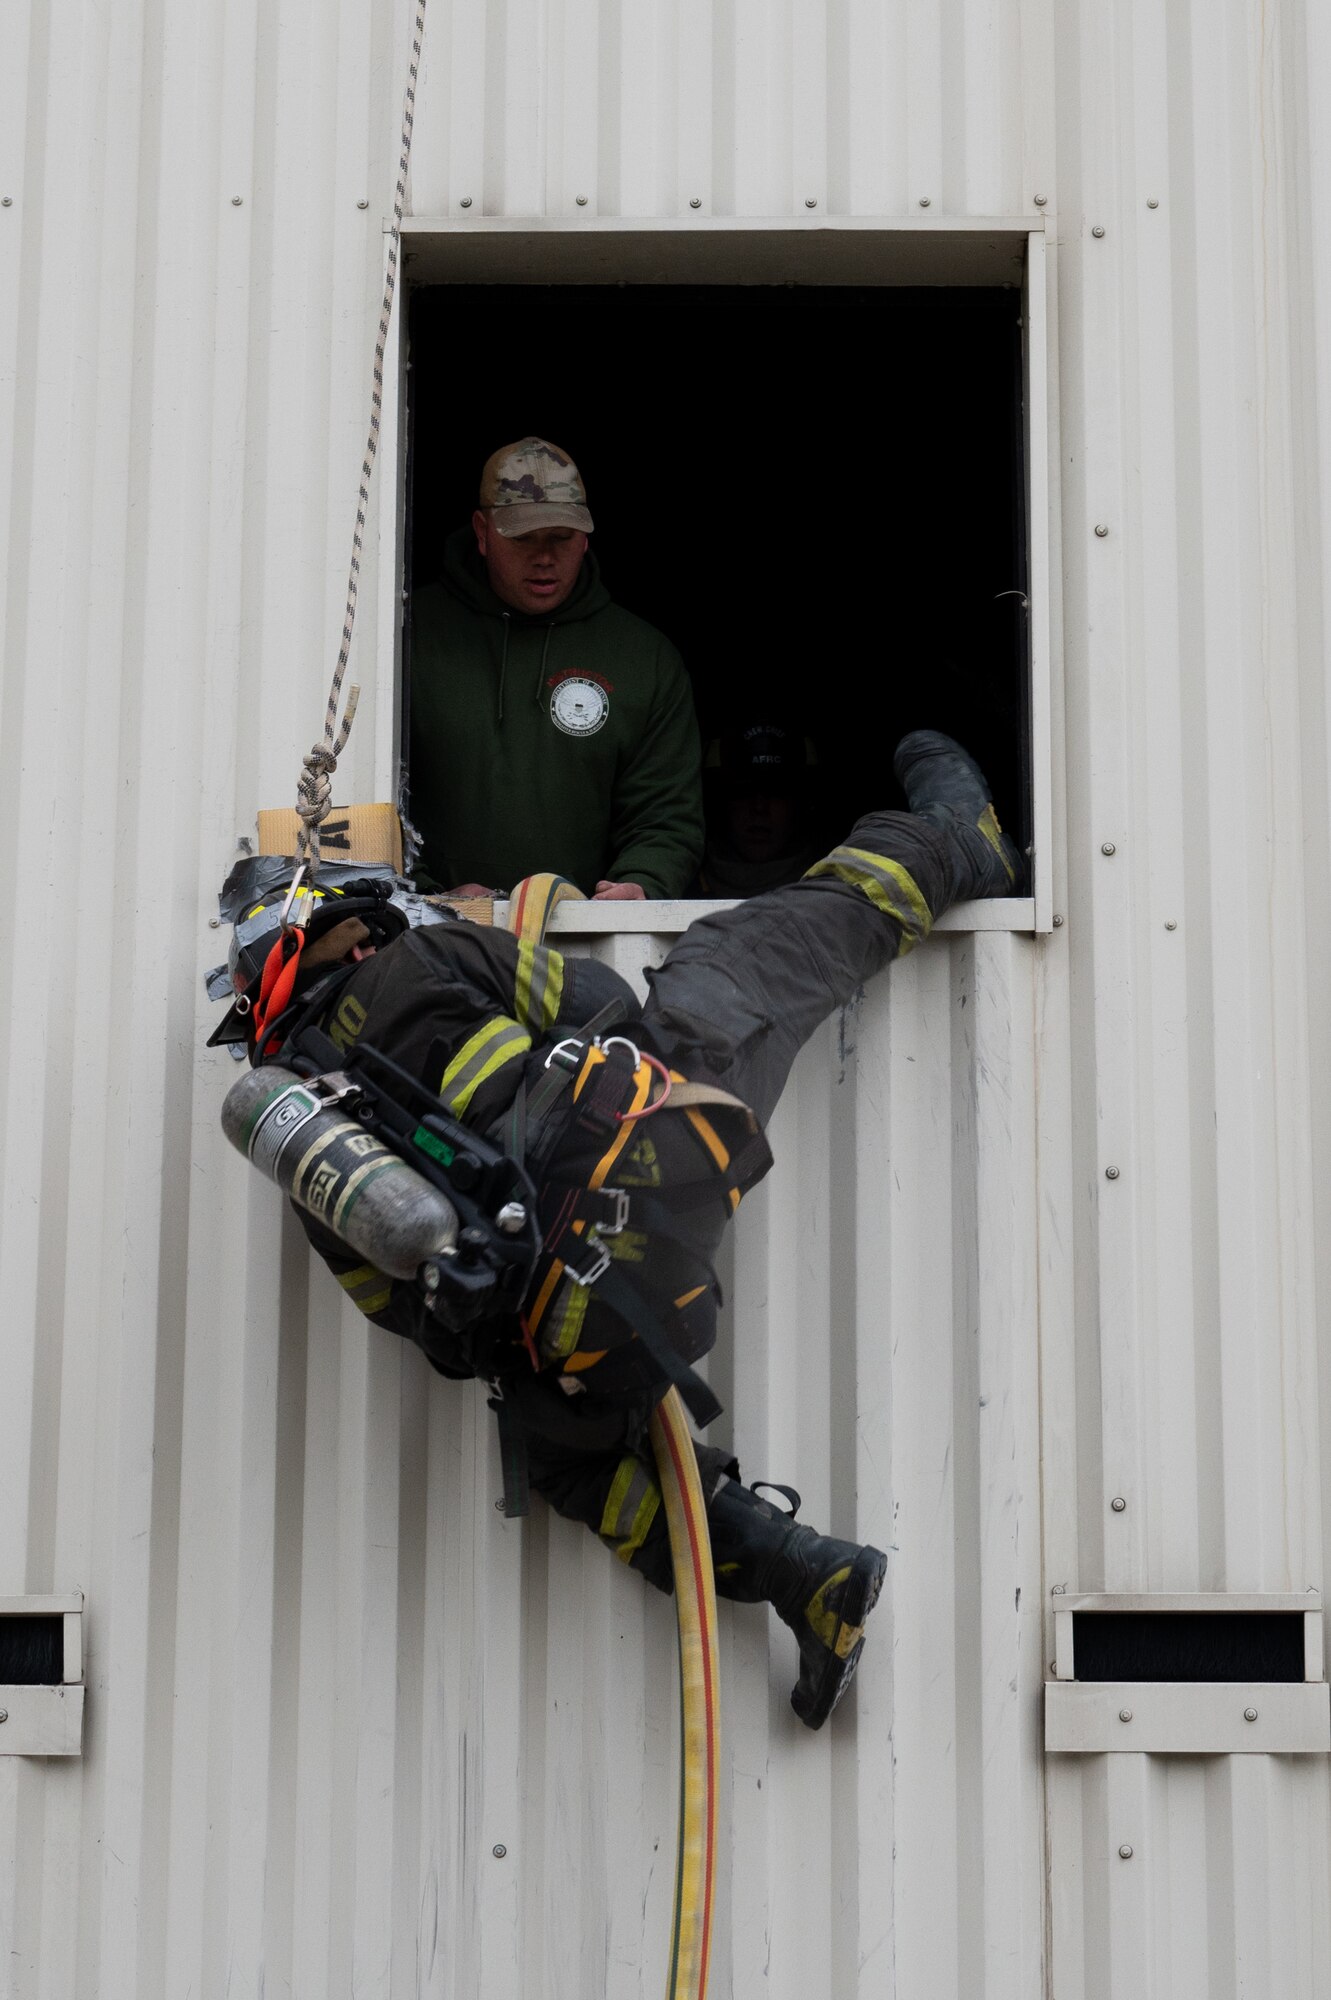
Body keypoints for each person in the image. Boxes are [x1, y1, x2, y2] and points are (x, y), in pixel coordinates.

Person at [210, 732, 1022, 1728]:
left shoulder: (311, 1142)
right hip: (644, 1169)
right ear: (363, 925)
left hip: (555, 1320)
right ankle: (952, 838)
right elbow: (597, 1005)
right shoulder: (426, 950)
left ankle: (804, 1575)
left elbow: (397, 1308)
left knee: (574, 1460)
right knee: (740, 953)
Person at [409, 436, 703, 902]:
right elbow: (367, 798)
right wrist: (425, 893)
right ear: (483, 533)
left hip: (589, 940)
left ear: (585, 538)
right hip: (432, 927)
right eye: (523, 538)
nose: (544, 557)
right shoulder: (405, 637)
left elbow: (665, 815)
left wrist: (640, 884)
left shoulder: (644, 658)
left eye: (561, 538)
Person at [697, 719, 821, 897]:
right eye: (742, 792)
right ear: (717, 802)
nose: (759, 808)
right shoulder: (681, 886)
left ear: (804, 803)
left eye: (776, 792)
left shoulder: (837, 893)